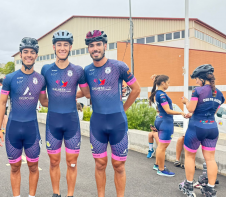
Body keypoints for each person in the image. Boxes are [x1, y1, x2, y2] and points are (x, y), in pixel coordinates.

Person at [80, 30, 141, 197]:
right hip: (97, 123)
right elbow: (85, 93)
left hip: (117, 122)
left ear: (105, 46)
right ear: (88, 49)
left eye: (98, 44)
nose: (95, 48)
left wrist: (124, 109)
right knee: (100, 164)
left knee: (119, 165)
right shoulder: (87, 70)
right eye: (91, 46)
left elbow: (136, 90)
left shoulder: (119, 66)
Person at [0, 37, 48, 197]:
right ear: (21, 55)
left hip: (32, 129)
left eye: (32, 52)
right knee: (15, 167)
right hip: (13, 130)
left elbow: (44, 102)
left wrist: (65, 99)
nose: (29, 55)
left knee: (33, 167)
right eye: (26, 52)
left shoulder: (40, 79)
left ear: (36, 55)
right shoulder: (10, 78)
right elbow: (2, 104)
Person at [40, 30, 90, 197]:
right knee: (54, 162)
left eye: (65, 45)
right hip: (53, 123)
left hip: (72, 123)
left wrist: (68, 95)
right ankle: (56, 193)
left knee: (72, 163)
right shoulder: (46, 69)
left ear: (70, 48)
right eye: (59, 45)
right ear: (54, 47)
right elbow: (42, 99)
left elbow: (85, 92)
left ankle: (70, 195)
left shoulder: (78, 70)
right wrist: (57, 98)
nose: (62, 48)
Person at [179, 64, 225, 197]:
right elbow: (213, 111)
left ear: (202, 78)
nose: (196, 81)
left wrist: (186, 102)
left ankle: (188, 185)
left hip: (196, 128)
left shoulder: (197, 91)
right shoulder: (219, 93)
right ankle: (210, 189)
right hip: (212, 128)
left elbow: (191, 108)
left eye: (197, 79)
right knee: (210, 159)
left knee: (190, 156)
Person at [149, 75, 185, 177]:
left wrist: (157, 76)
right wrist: (181, 113)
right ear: (163, 83)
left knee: (161, 145)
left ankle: (157, 165)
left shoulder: (158, 93)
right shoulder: (162, 95)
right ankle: (161, 169)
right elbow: (168, 111)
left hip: (160, 120)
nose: (169, 84)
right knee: (162, 147)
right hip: (166, 122)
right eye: (168, 82)